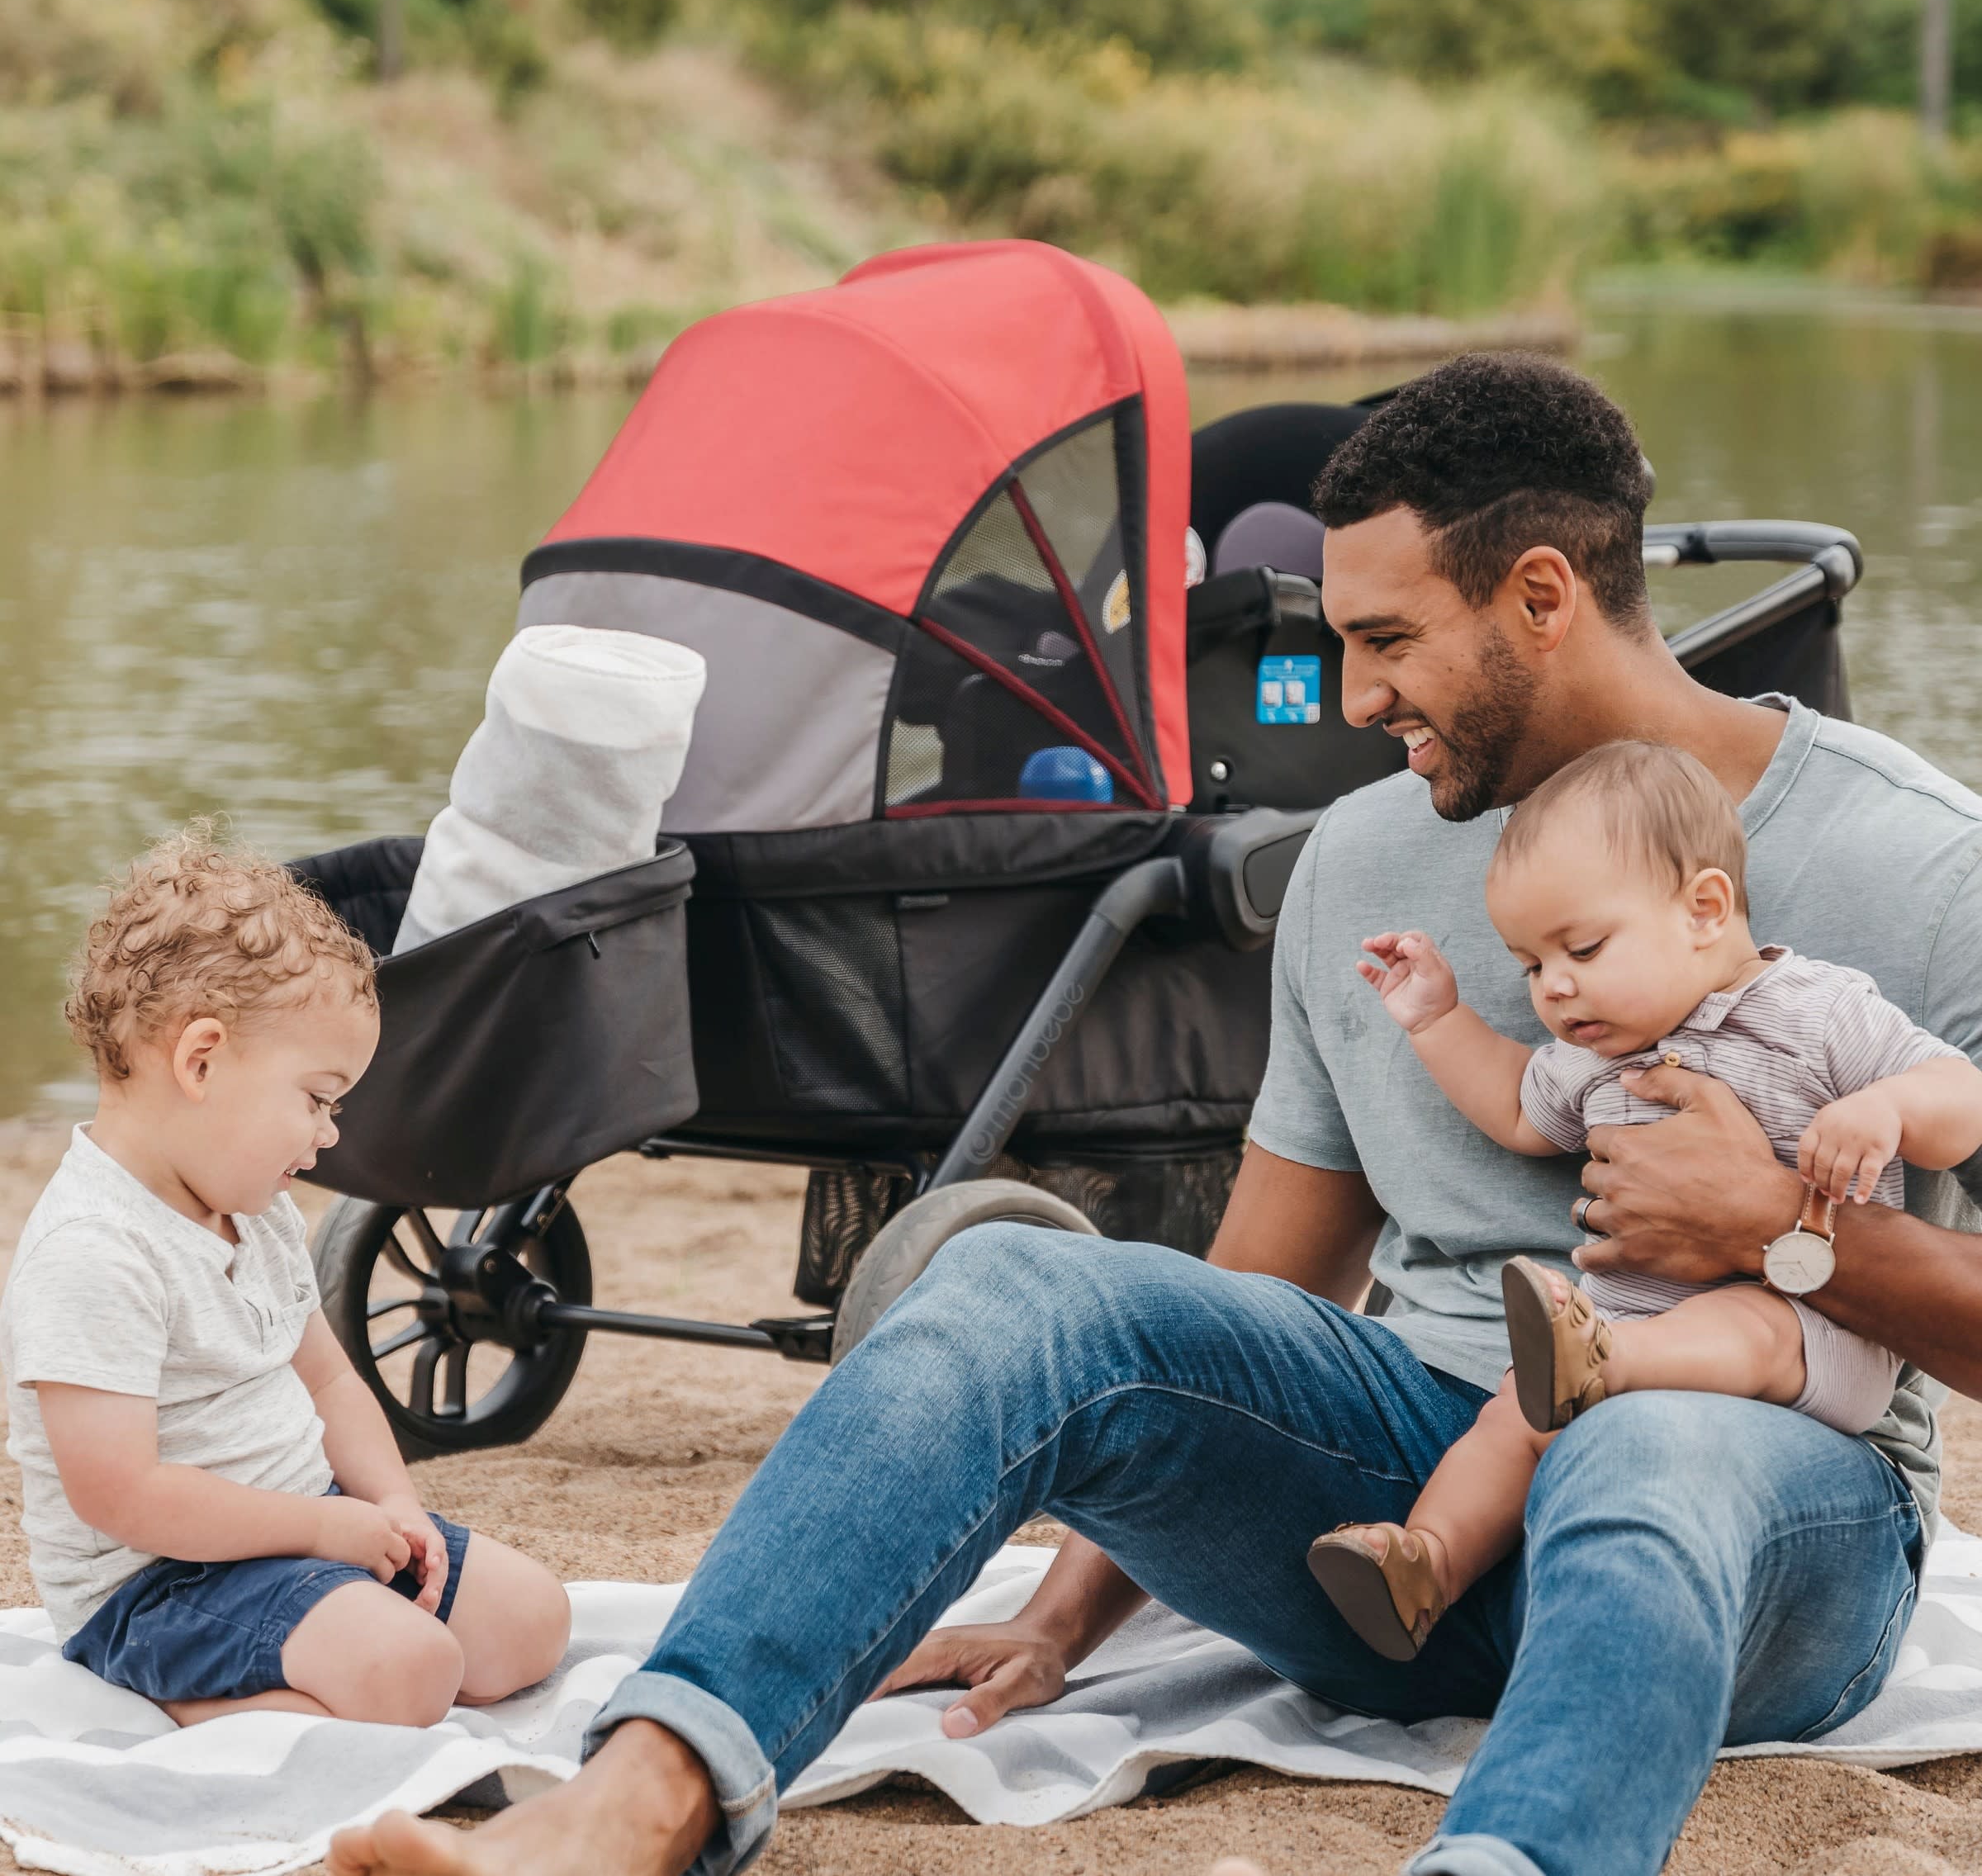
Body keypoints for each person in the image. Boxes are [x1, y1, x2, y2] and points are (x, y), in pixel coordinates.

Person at [326, 353, 1982, 1876]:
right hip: (1410, 1529)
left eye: (1388, 640)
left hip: (1778, 1533)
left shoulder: (1919, 868)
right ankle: (643, 1799)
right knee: (1026, 1284)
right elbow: (1246, 1303)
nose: (1348, 700)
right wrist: (1062, 1611)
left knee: (1643, 1424)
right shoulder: (1359, 863)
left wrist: (1784, 1231)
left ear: (1542, 595)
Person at [1308, 740, 1982, 1660]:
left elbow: (1962, 1097)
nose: (1555, 986)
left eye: (1582, 948)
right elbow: (1513, 1104)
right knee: (1516, 1412)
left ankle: (1607, 1363)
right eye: (1531, 966)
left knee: (1745, 1324)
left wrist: (1886, 1108)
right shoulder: (1600, 1059)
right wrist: (1436, 1019)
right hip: (1622, 1332)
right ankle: (1426, 1561)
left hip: (1807, 1329)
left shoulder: (1818, 1011)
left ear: (1706, 907)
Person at [2, 829, 571, 1725]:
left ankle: (323, 1658)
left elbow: (331, 1379)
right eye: (317, 1096)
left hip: (305, 1523)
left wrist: (389, 1504)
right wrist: (320, 1532)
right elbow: (121, 1494)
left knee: (532, 1621)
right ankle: (193, 1707)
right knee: (413, 1671)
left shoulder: (255, 1211)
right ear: (201, 1060)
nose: (330, 1133)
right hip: (160, 1582)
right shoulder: (94, 1249)